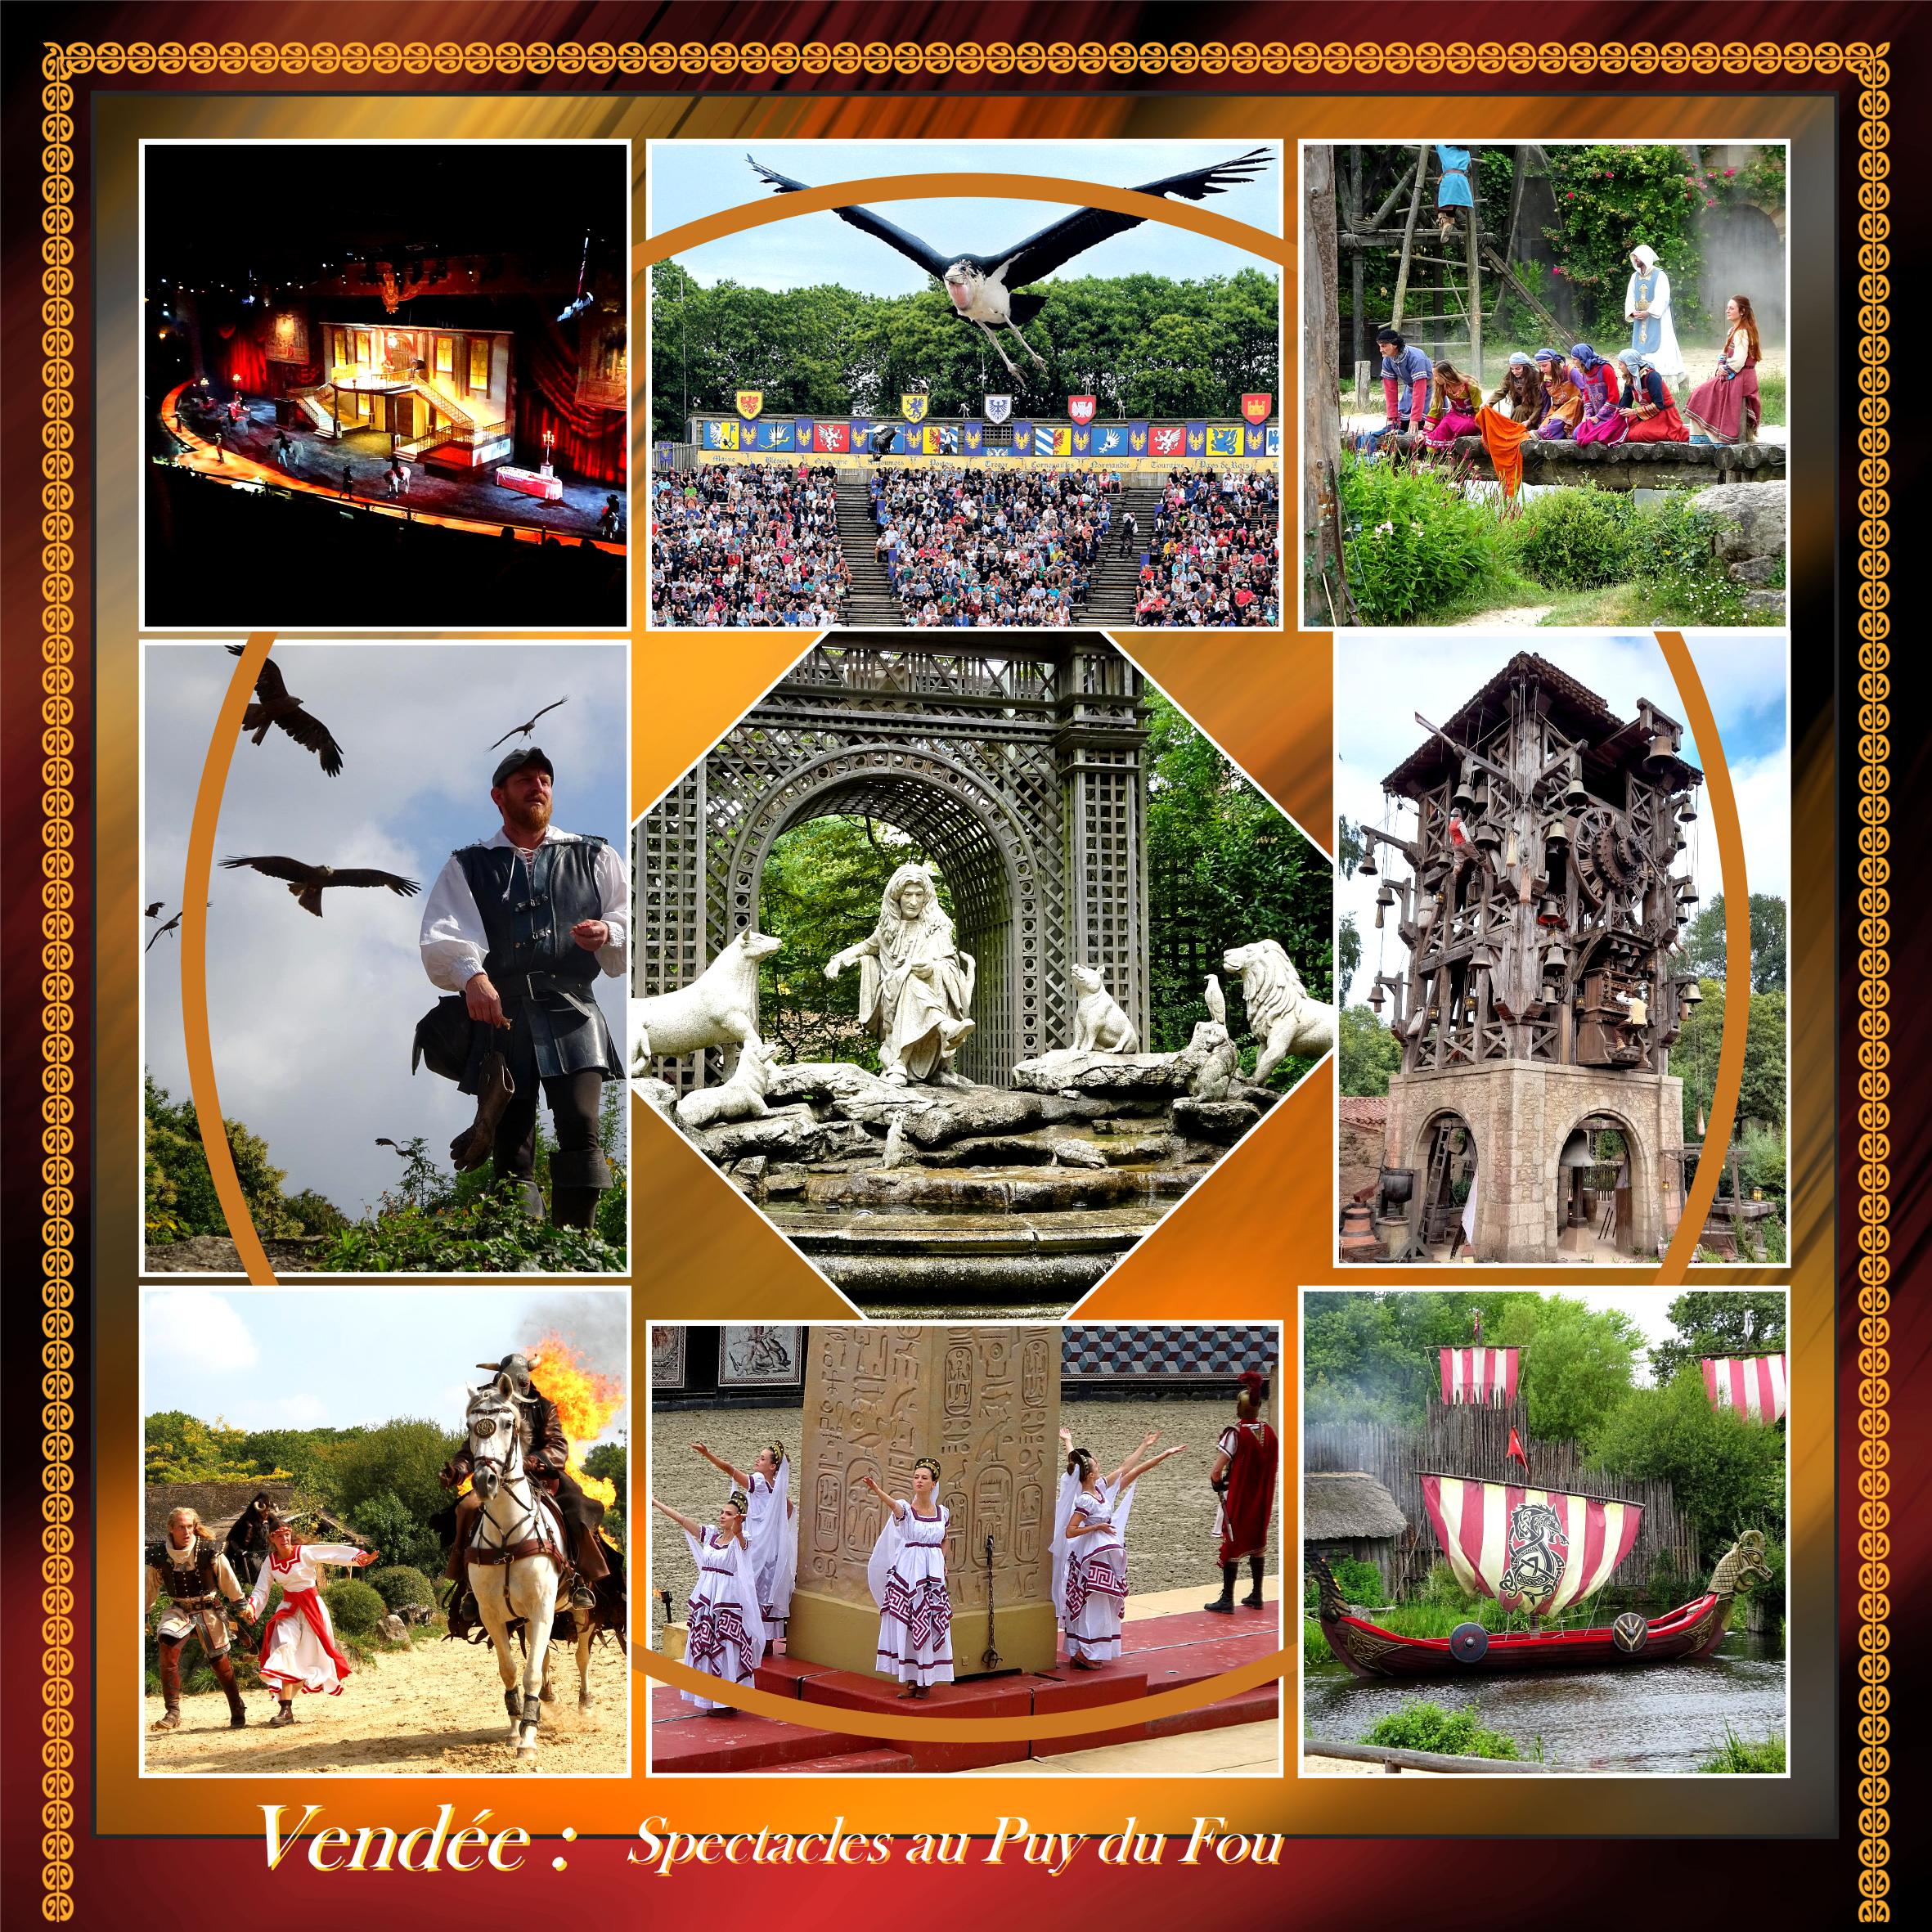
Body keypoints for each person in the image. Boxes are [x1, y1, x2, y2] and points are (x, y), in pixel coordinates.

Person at [419, 745, 627, 1229]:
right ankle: (521, 1246)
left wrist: (608, 933)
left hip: (574, 1007)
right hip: (502, 1012)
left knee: (582, 1123)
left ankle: (578, 1245)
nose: (538, 788)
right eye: (524, 782)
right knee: (512, 1136)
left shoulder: (594, 855)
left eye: (544, 781)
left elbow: (627, 918)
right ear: (499, 796)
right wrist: (472, 976)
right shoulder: (468, 865)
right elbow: (444, 934)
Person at [442, 1350, 611, 1610]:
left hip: (542, 1477)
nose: (521, 1385)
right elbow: (474, 1448)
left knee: (577, 1510)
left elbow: (558, 1447)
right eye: (513, 1381)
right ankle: (468, 1584)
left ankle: (579, 1580)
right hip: (499, 1475)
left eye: (523, 1380)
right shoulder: (490, 1409)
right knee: (465, 1508)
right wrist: (457, 1470)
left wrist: (531, 1462)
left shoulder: (544, 1407)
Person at [824, 861, 975, 1088]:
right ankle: (944, 1026)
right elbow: (865, 948)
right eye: (907, 895)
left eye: (918, 895)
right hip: (893, 993)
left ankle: (900, 1064)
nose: (913, 901)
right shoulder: (887, 929)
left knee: (914, 978)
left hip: (931, 988)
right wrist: (837, 960)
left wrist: (933, 968)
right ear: (897, 896)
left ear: (926, 898)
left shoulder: (937, 926)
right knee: (908, 978)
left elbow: (949, 963)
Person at [1049, 1427, 1188, 1669]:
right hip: (1089, 1555)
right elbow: (1070, 1531)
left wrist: (1153, 1449)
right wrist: (1096, 1528)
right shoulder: (1085, 1499)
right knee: (1090, 1600)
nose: (1099, 1464)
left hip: (1103, 1554)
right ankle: (1082, 1650)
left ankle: (1087, 1649)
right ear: (1090, 1474)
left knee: (1101, 1600)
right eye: (1095, 1463)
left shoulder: (1100, 1489)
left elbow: (1129, 1468)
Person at [245, 1516, 378, 1726]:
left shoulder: (304, 1553)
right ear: (272, 1539)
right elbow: (262, 1590)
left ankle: (288, 1703)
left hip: (312, 1610)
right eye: (278, 1536)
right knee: (283, 1647)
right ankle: (286, 1709)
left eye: (287, 1534)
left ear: (291, 1534)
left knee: (309, 1661)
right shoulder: (270, 1563)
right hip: (288, 1610)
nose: (284, 1539)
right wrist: (252, 1607)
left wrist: (358, 1558)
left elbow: (332, 1553)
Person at [651, 1490, 765, 1712]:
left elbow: (740, 1537)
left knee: (727, 1646)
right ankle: (710, 1698)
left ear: (738, 1517)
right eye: (722, 1512)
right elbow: (683, 1520)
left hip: (727, 1601)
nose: (722, 1516)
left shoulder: (743, 1541)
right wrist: (656, 1503)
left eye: (728, 1514)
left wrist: (739, 1526)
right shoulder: (712, 1535)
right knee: (704, 1643)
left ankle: (729, 1699)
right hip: (706, 1598)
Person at [146, 1507, 252, 1731]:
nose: (187, 1531)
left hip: (209, 1610)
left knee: (220, 1663)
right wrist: (144, 1615)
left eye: (190, 1526)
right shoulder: (157, 1556)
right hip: (179, 1611)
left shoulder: (209, 1550)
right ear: (171, 1528)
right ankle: (172, 1712)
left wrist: (241, 1605)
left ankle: (237, 1708)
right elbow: (148, 1588)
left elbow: (228, 1580)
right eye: (181, 1527)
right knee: (167, 1648)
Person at [692, 1438, 796, 1650]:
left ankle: (748, 1640)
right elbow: (790, 1509)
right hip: (772, 1548)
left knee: (749, 1588)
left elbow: (730, 1469)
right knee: (765, 1591)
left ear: (773, 1466)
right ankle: (766, 1644)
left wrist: (707, 1454)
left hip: (754, 1544)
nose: (757, 1460)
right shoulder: (777, 1489)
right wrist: (772, 1527)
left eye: (762, 1458)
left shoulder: (758, 1482)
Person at [863, 1458, 952, 1697]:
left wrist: (942, 1561)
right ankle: (912, 1679)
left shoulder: (942, 1513)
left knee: (930, 1620)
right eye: (916, 1477)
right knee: (908, 1623)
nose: (919, 1481)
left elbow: (945, 1540)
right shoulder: (907, 1510)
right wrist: (877, 1490)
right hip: (908, 1572)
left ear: (934, 1484)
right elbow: (894, 1506)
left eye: (924, 1478)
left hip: (931, 1575)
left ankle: (927, 1680)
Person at [1205, 1371, 1278, 1614]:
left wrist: (1217, 1483)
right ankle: (1257, 1594)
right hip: (1262, 1497)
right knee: (1258, 1542)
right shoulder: (1270, 1433)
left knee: (1233, 1542)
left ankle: (1227, 1599)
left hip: (1239, 1496)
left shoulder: (1235, 1433)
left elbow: (1217, 1470)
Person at [1685, 294, 1764, 444]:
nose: (1727, 311)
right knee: (1702, 392)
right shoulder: (1734, 331)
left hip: (1741, 378)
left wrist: (1725, 369)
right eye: (1727, 308)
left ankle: (1718, 438)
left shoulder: (1743, 332)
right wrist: (1721, 364)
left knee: (1700, 393)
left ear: (1742, 312)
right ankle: (1703, 437)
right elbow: (1724, 352)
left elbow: (1739, 361)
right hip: (1735, 375)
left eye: (1731, 308)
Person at [1624, 243, 1684, 384]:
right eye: (1634, 257)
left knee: (1662, 345)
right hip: (1640, 318)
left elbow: (1663, 297)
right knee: (1641, 346)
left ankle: (1664, 378)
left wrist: (1649, 312)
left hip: (1658, 318)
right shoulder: (1635, 277)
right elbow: (1630, 296)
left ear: (1645, 257)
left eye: (1637, 257)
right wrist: (1633, 312)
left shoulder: (1659, 275)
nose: (1635, 260)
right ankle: (1643, 377)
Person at [1615, 348, 1689, 443]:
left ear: (1629, 365)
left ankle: (1676, 432)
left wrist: (1634, 412)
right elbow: (1625, 403)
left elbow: (1659, 405)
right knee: (1623, 429)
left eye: (1620, 364)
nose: (1619, 367)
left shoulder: (1651, 376)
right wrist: (1617, 417)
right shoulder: (1631, 379)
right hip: (1646, 414)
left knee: (1636, 435)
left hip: (1663, 414)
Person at [1375, 326, 1434, 433]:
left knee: (1421, 425)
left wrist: (1415, 418)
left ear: (1395, 345)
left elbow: (1420, 388)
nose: (1381, 350)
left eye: (1384, 346)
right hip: (1410, 390)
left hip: (1428, 390)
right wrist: (1392, 418)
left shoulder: (1416, 357)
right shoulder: (1388, 360)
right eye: (1380, 346)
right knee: (1399, 424)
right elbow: (1390, 389)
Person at [1569, 342, 1626, 446]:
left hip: (1610, 416)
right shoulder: (1585, 372)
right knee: (1576, 434)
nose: (1573, 363)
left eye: (1575, 359)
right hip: (1594, 417)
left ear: (1582, 358)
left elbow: (1614, 397)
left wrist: (1598, 417)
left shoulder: (1606, 369)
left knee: (1597, 436)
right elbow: (1586, 396)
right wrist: (1588, 415)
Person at [222, 1489, 276, 1592]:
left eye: (268, 1510)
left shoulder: (270, 1519)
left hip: (268, 1555)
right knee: (257, 1580)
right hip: (250, 1558)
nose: (266, 1513)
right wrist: (238, 1550)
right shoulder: (247, 1519)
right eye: (264, 1511)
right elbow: (232, 1538)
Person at [1424, 359, 1481, 442]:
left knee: (1464, 426)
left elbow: (1478, 408)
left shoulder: (1470, 385)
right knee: (1443, 426)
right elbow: (1435, 408)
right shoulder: (1442, 386)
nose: (1435, 379)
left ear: (1445, 375)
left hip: (1471, 417)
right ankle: (1435, 452)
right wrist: (1426, 432)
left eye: (1436, 376)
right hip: (1454, 415)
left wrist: (1482, 426)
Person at [1533, 348, 1584, 439]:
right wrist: (1543, 420)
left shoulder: (1570, 371)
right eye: (1540, 366)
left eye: (1544, 365)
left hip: (1574, 407)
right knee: (1543, 428)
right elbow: (1546, 403)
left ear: (1553, 363)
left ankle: (1550, 433)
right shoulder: (1545, 378)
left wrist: (1588, 412)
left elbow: (1585, 390)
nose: (1542, 369)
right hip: (1557, 408)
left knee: (1576, 400)